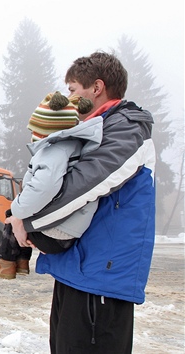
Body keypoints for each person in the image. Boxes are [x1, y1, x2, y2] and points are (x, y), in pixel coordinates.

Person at [9, 51, 155, 353]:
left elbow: (82, 187)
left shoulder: (126, 129)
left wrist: (26, 221)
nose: (69, 98)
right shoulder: (96, 130)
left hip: (100, 277)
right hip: (79, 269)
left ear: (97, 88)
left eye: (73, 89)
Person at [0, 91, 102, 279]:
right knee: (18, 215)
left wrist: (17, 208)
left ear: (47, 130)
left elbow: (44, 187)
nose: (32, 135)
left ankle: (5, 261)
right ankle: (19, 262)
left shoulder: (55, 149)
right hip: (70, 227)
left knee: (12, 215)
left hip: (58, 233)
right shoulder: (72, 146)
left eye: (34, 130)